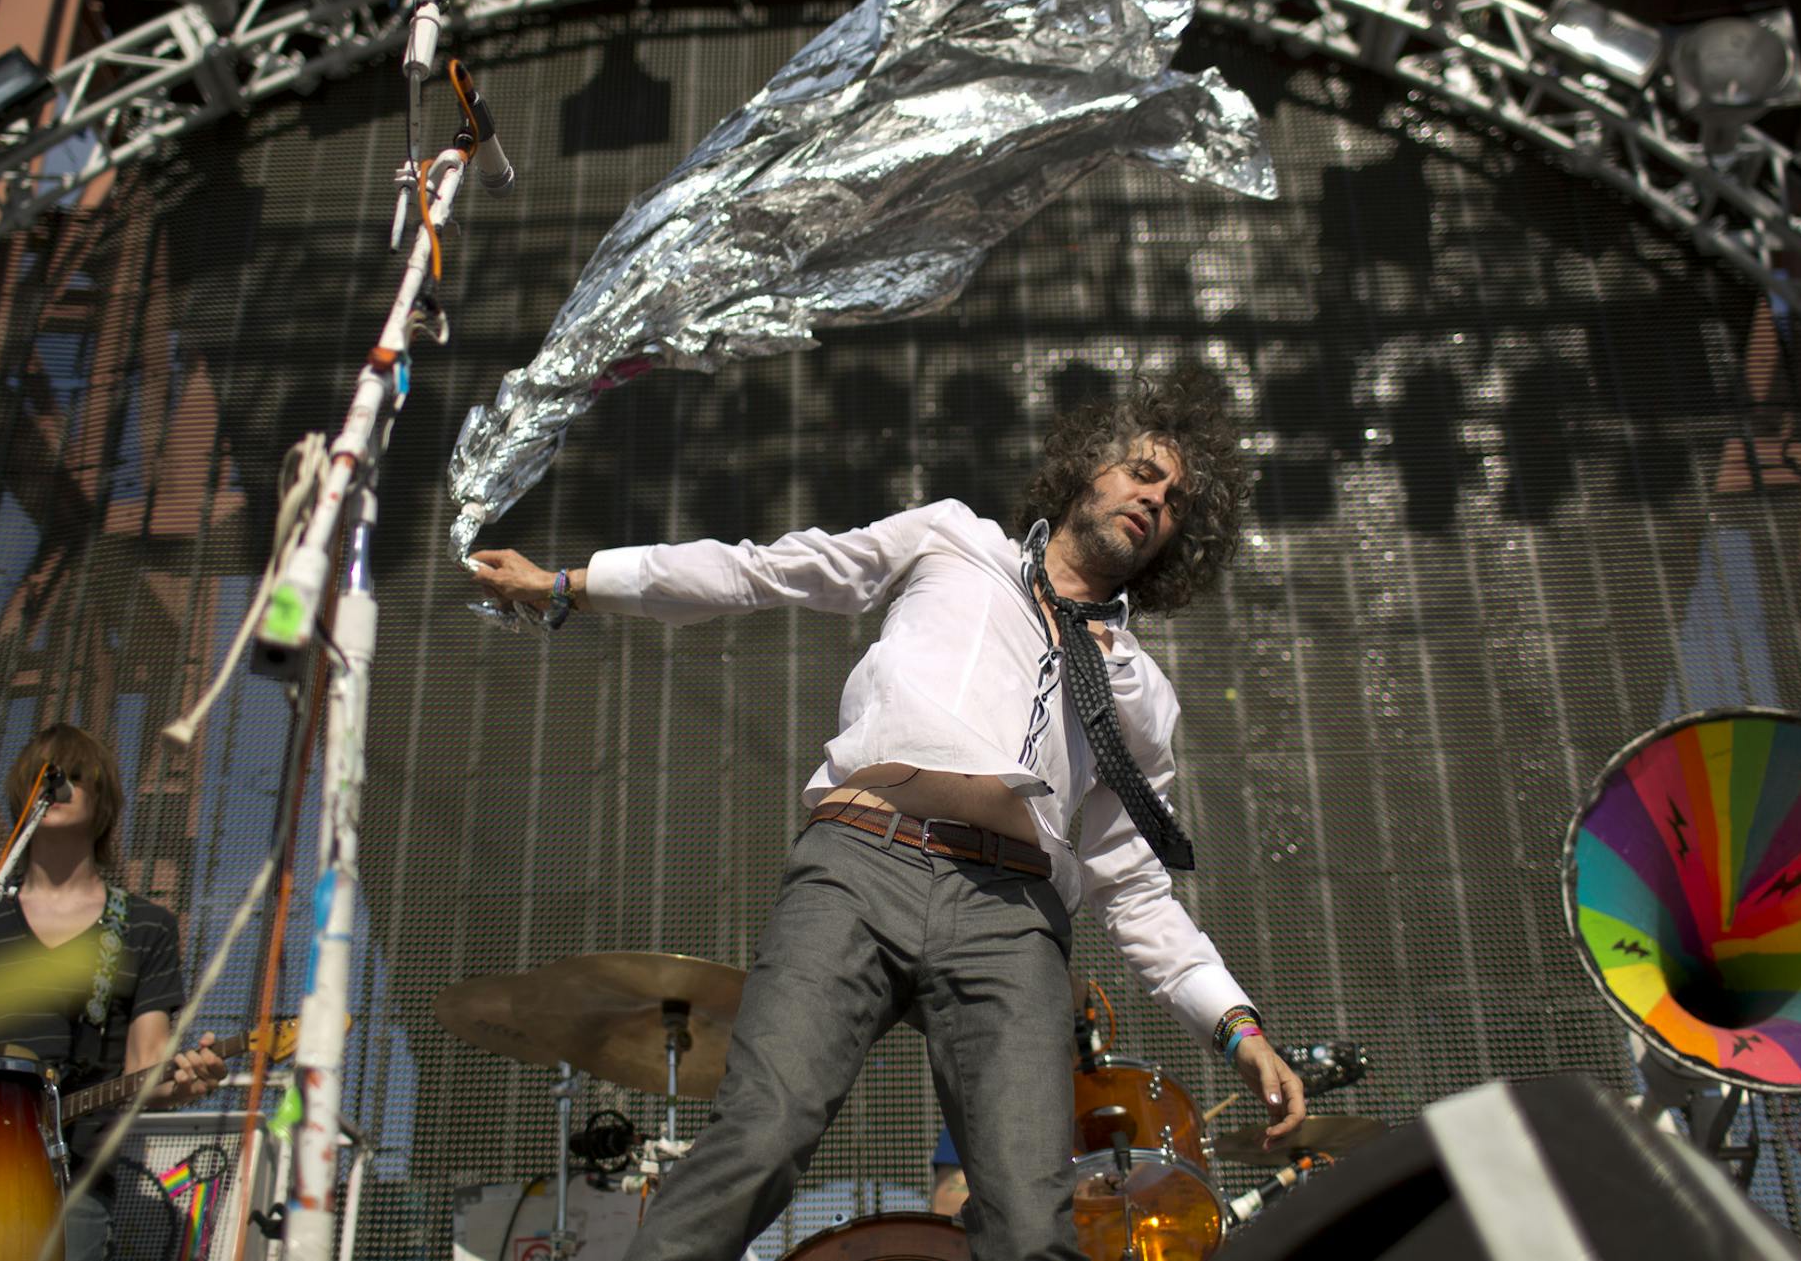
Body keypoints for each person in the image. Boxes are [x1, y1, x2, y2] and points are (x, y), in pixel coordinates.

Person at [469, 368, 1306, 1260]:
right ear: (1088, 469)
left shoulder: (1140, 692)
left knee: (1032, 1219)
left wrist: (1237, 1026)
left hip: (1013, 917)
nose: (1153, 499)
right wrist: (570, 582)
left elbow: (1134, 888)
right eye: (1142, 471)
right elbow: (759, 570)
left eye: (1174, 503)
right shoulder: (953, 539)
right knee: (761, 1134)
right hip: (863, 861)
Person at [0, 723, 228, 1260]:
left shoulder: (143, 926)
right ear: (24, 795)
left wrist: (185, 1084)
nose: (58, 785)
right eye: (45, 776)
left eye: (75, 776)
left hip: (66, 1180)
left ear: (103, 800)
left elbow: (146, 1067)